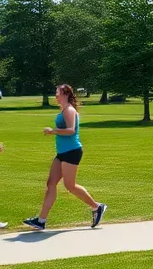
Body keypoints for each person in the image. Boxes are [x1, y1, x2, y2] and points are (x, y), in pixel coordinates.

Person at [23, 84, 107, 231]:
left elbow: (71, 130)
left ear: (66, 94)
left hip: (72, 151)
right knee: (51, 183)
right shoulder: (63, 109)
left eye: (58, 93)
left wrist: (52, 131)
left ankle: (96, 207)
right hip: (62, 153)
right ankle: (41, 220)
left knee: (70, 186)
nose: (56, 95)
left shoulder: (69, 110)